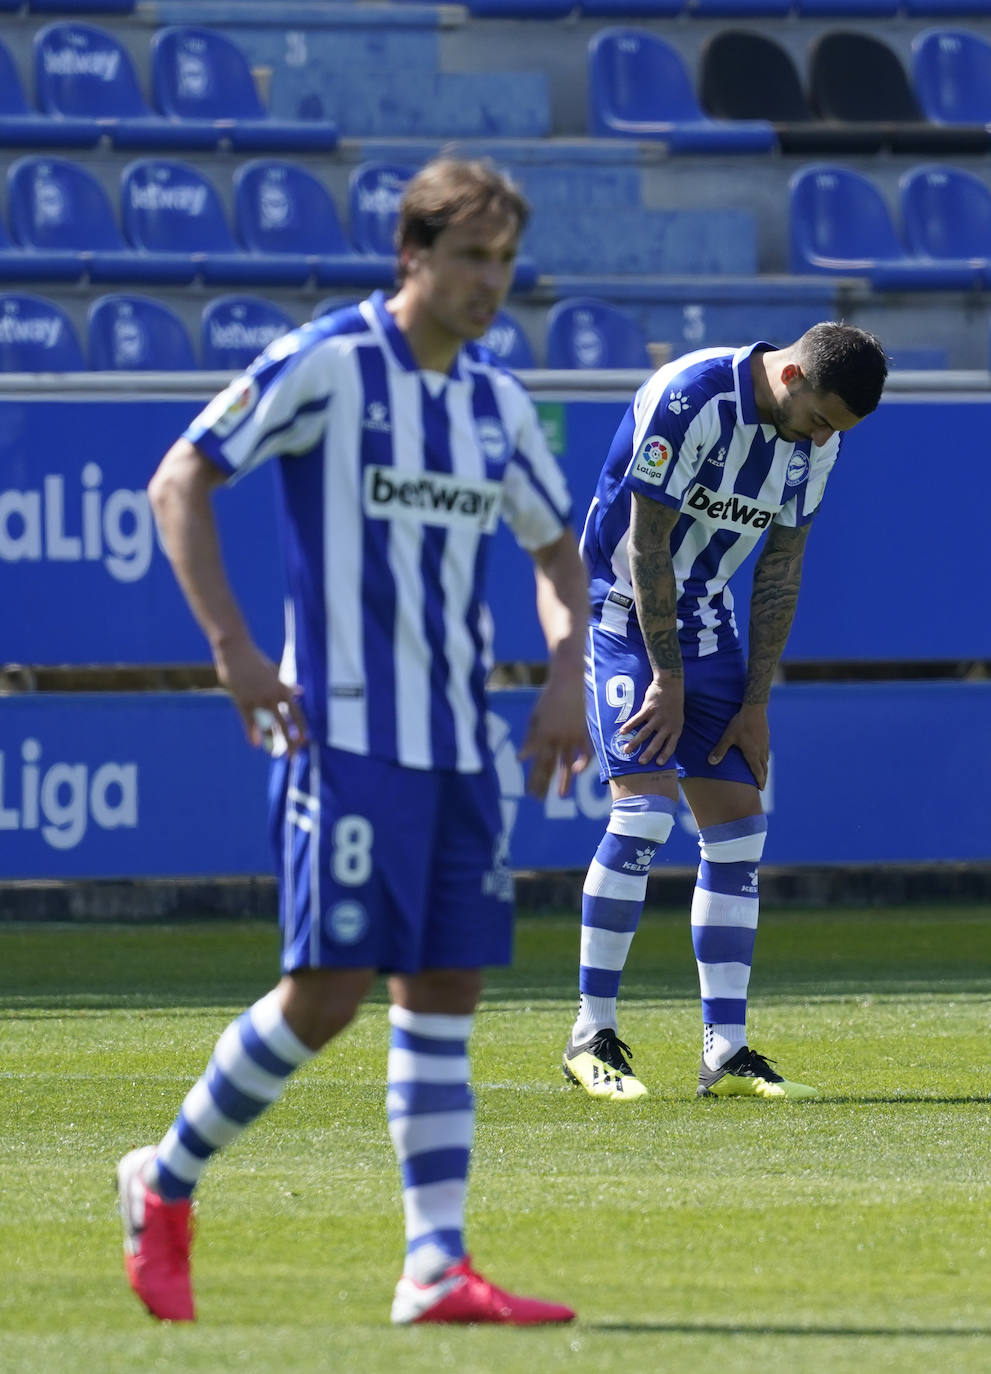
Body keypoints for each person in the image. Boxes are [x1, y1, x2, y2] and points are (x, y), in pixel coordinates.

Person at [117, 156, 589, 1326]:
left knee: (445, 990)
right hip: (344, 739)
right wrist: (232, 650)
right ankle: (162, 1179)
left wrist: (569, 677)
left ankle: (434, 1266)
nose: (490, 282)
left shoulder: (496, 402)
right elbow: (180, 478)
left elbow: (560, 557)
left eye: (504, 261)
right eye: (470, 257)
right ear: (411, 256)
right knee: (325, 994)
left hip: (460, 749)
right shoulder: (330, 361)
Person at [562, 323, 887, 1102]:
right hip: (622, 614)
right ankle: (590, 1033)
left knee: (739, 832)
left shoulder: (818, 442)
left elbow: (780, 566)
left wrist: (754, 700)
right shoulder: (691, 395)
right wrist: (665, 677)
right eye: (818, 418)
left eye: (834, 432)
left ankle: (726, 1052)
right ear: (791, 377)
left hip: (709, 626)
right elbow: (645, 543)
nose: (819, 438)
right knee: (642, 819)